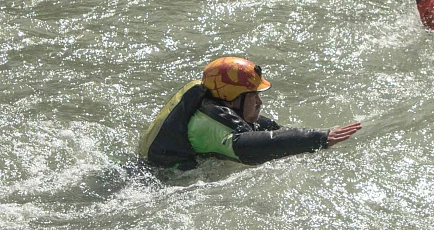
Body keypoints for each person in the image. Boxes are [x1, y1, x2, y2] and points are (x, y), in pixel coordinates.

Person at [139, 56, 361, 169]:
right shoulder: (206, 126)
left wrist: (303, 133)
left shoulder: (212, 98)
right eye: (253, 95)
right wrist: (318, 139)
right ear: (233, 99)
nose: (260, 101)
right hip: (158, 184)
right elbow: (253, 147)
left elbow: (261, 128)